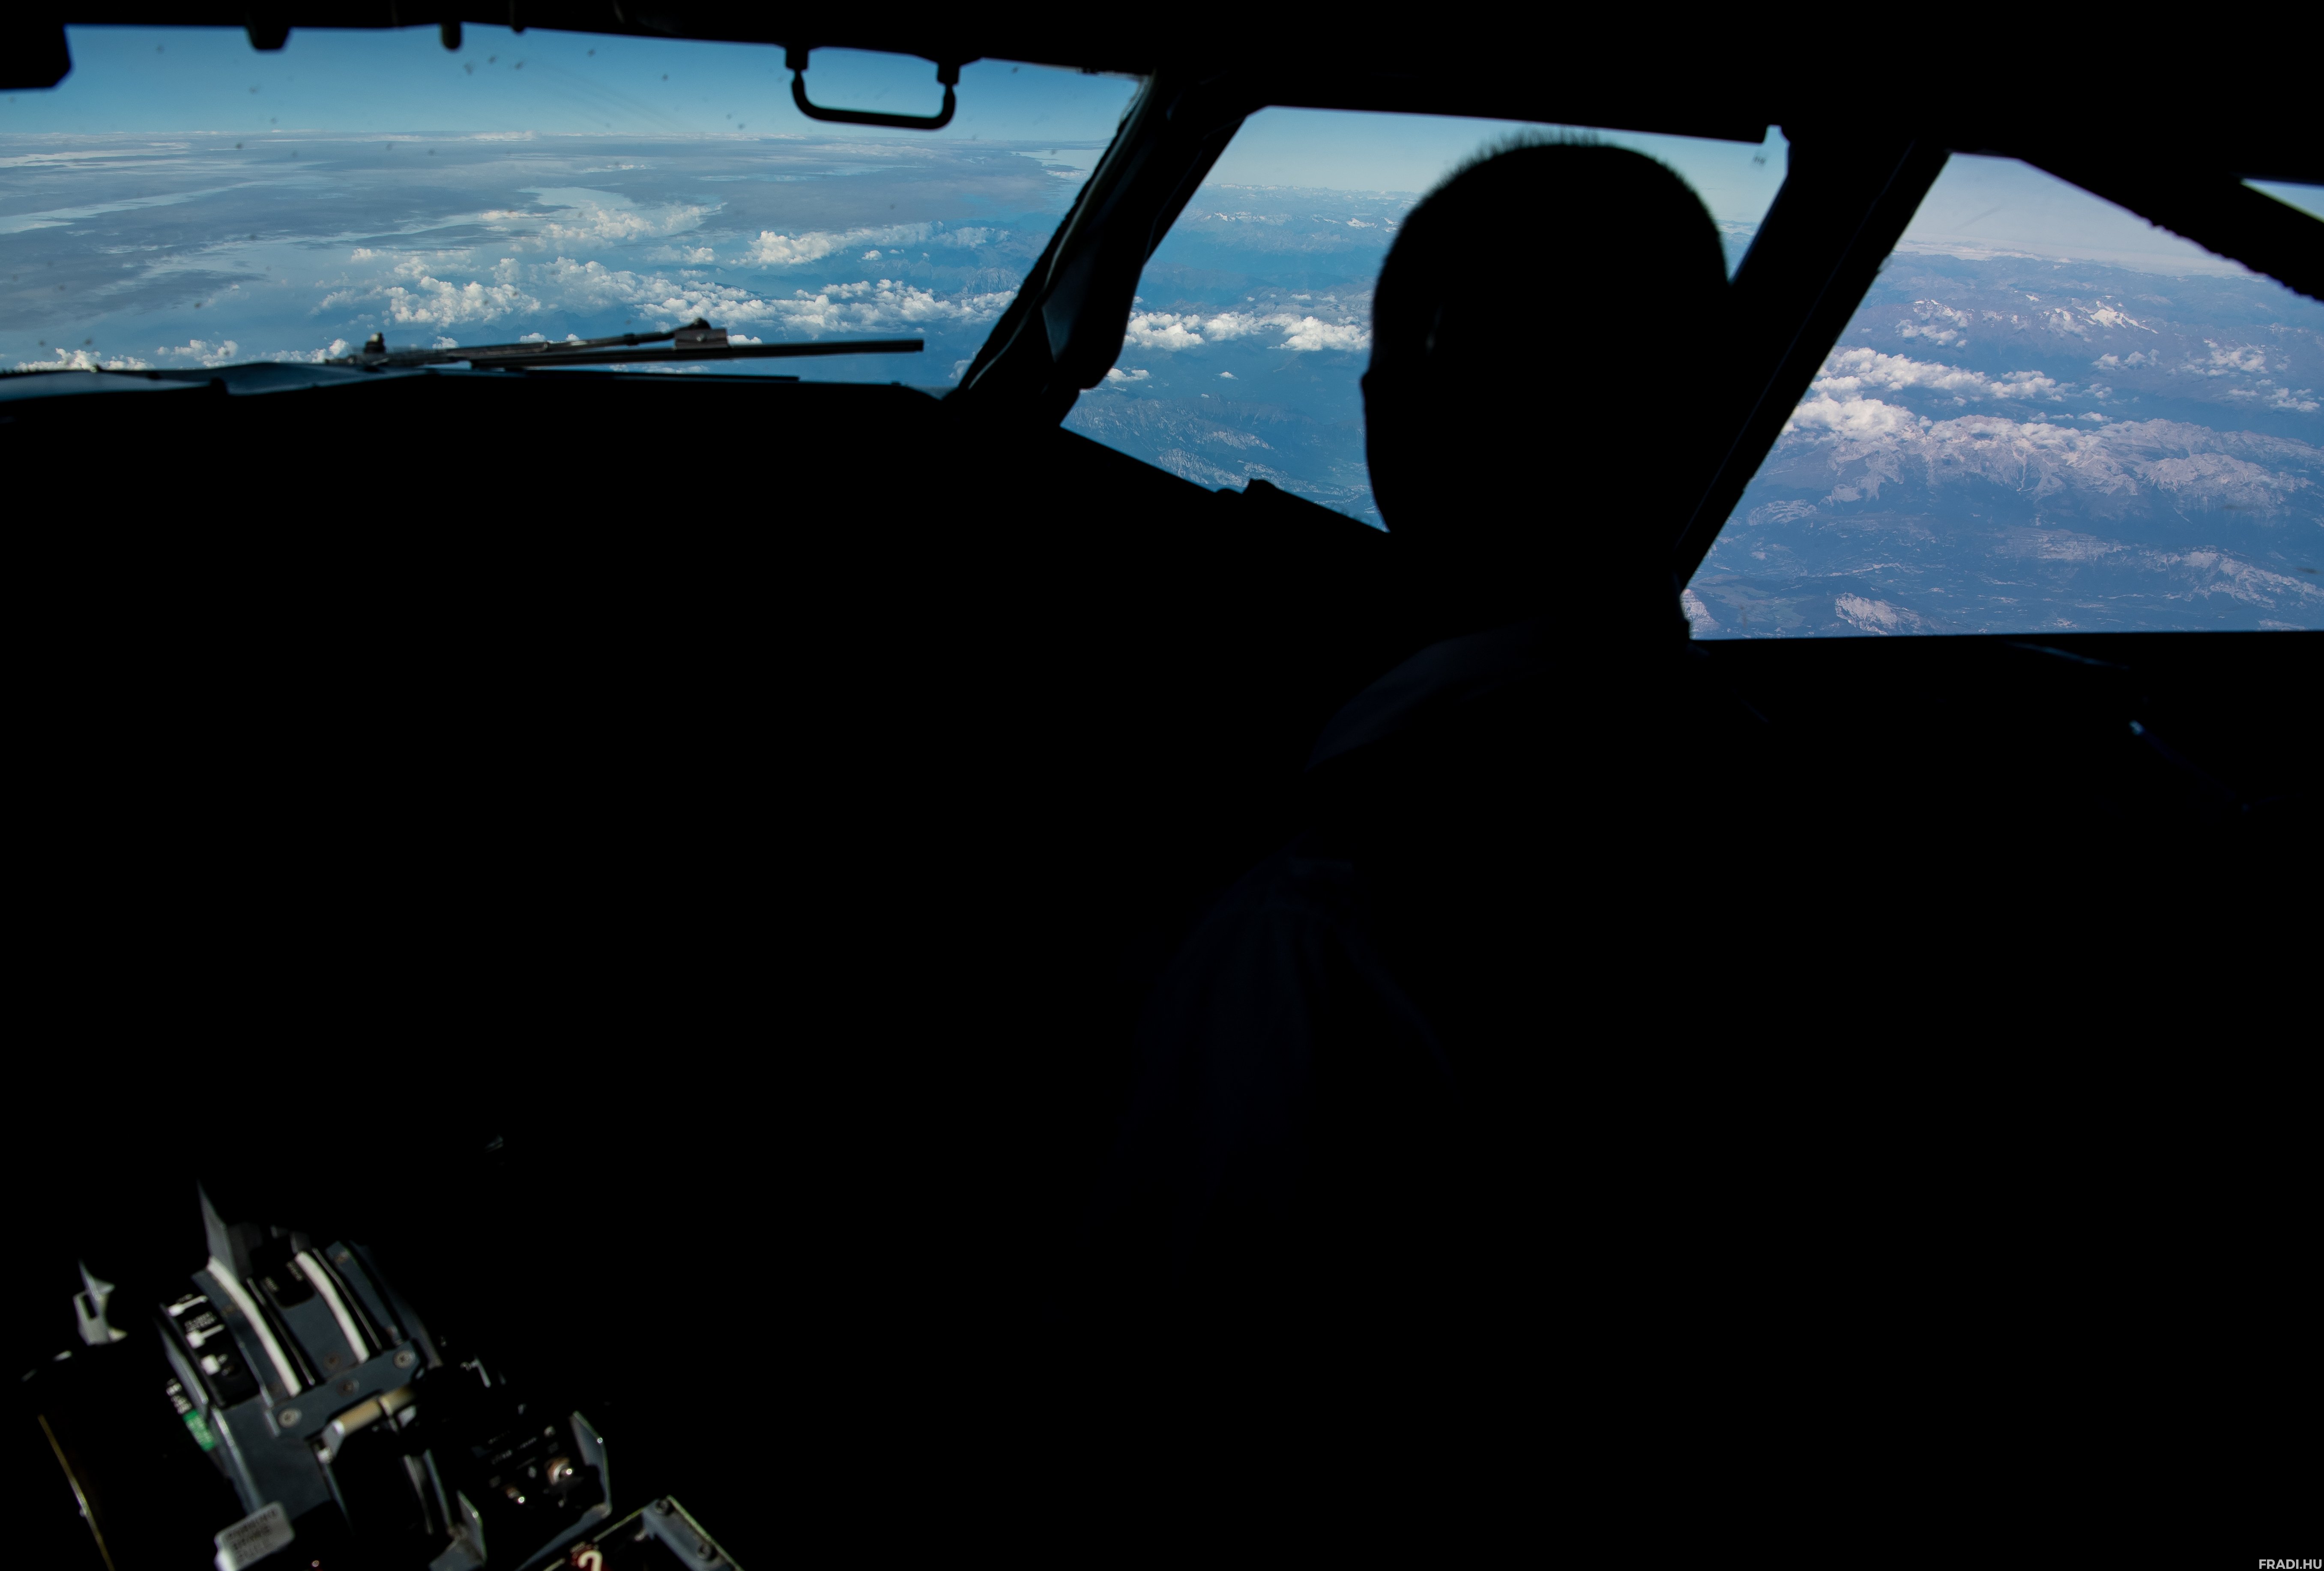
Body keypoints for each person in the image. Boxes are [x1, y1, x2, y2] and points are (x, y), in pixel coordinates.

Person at [1046, 141, 1767, 1458]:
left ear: (1391, 419)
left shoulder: (1327, 928)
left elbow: (1149, 1383)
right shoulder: (1754, 786)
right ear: (1708, 419)